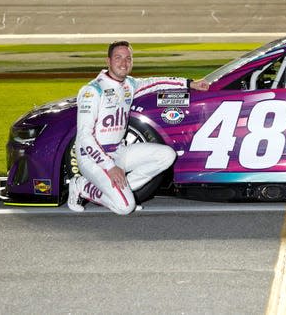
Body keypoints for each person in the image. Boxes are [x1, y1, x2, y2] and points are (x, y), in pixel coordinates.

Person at [67, 40, 208, 214]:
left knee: (167, 155)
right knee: (125, 208)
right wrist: (109, 166)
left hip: (118, 151)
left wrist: (189, 83)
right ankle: (81, 185)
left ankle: (124, 193)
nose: (123, 63)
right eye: (118, 58)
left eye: (128, 58)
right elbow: (84, 136)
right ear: (108, 61)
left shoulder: (129, 84)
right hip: (92, 158)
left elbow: (156, 83)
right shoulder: (92, 91)